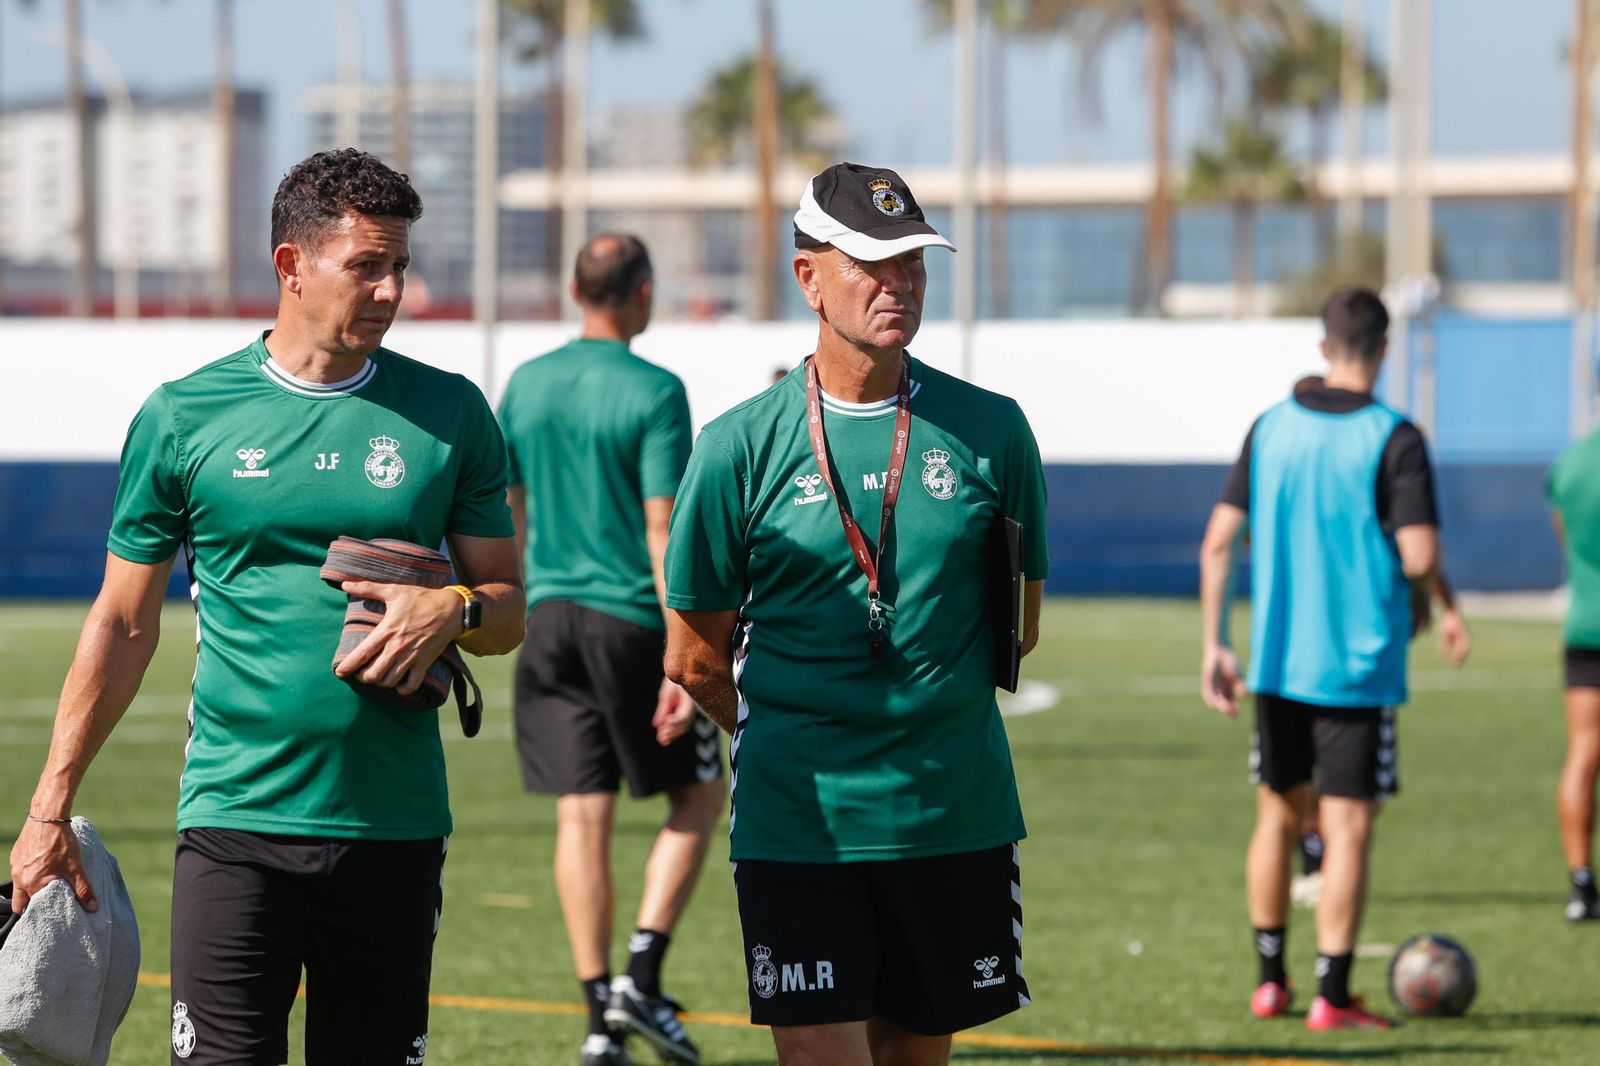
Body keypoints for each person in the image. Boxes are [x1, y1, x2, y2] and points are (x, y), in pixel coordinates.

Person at [7, 148, 525, 1065]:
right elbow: (122, 624)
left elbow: (508, 611)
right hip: (236, 821)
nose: (392, 288)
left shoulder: (451, 413)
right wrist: (50, 809)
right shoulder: (183, 416)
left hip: (394, 827)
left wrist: (453, 608)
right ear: (292, 266)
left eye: (399, 264)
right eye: (366, 264)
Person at [662, 162, 1049, 1066]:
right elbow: (692, 655)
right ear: (809, 277)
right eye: (872, 262)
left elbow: (1020, 623)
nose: (899, 283)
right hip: (801, 820)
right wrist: (788, 734)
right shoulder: (735, 448)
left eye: (913, 261)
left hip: (952, 814)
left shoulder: (993, 431)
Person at [1198, 286, 1469, 1031]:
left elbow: (1218, 543)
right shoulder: (1396, 437)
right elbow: (1420, 552)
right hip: (1357, 667)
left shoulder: (1270, 427)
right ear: (1384, 349)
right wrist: (1431, 601)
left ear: (1323, 347)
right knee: (1346, 831)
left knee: (1276, 818)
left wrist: (1215, 644)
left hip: (1278, 663)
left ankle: (1268, 982)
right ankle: (1334, 996)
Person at [497, 233, 724, 1066]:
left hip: (547, 618)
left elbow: (507, 514)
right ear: (642, 292)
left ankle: (600, 1023)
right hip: (632, 619)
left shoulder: (524, 385)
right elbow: (665, 526)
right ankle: (642, 971)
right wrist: (685, 650)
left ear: (572, 289)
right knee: (700, 797)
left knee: (580, 813)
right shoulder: (657, 390)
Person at [1548, 427, 1600, 921]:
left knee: (1583, 753)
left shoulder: (1571, 464)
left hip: (1586, 625)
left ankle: (1582, 885)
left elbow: (1563, 533)